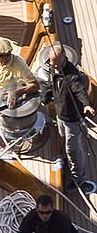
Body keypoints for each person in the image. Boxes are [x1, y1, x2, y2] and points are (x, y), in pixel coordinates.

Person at [42, 42, 96, 190]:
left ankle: (79, 179)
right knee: (64, 141)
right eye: (52, 64)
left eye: (56, 65)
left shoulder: (72, 76)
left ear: (64, 59)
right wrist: (44, 97)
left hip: (72, 120)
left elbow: (79, 91)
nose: (54, 67)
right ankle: (67, 160)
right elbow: (51, 84)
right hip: (61, 116)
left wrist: (86, 104)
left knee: (74, 150)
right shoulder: (54, 67)